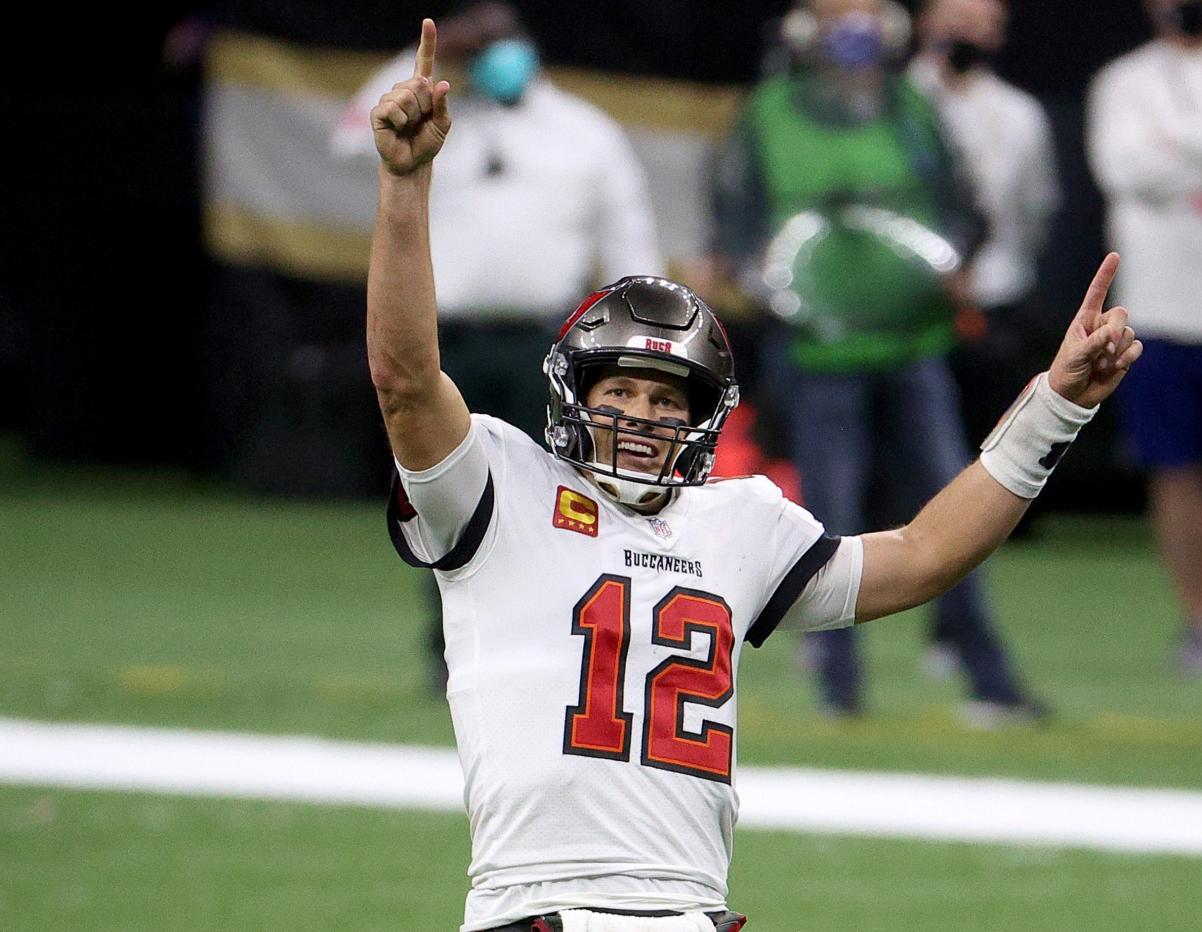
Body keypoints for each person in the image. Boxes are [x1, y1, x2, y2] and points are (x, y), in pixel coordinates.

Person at [368, 19, 1140, 931]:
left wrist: (1057, 405)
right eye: (624, 390)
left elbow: (925, 555)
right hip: (541, 906)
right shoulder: (499, 487)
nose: (645, 419)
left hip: (698, 912)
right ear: (575, 392)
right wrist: (406, 185)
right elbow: (407, 379)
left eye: (670, 402)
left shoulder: (738, 521)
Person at [712, 0, 1043, 723]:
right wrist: (755, 275)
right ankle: (838, 689)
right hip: (817, 350)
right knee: (826, 521)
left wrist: (959, 261)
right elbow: (734, 217)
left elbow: (964, 207)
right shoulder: (767, 112)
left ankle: (987, 676)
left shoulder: (909, 107)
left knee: (959, 509)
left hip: (912, 343)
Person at [337, 1, 663, 689]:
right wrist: (429, 58)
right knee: (444, 502)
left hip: (546, 346)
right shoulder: (436, 117)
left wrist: (634, 347)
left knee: (560, 504)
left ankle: (556, 647)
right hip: (442, 346)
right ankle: (450, 652)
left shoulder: (582, 131)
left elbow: (629, 243)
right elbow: (351, 137)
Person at [1087, 0, 1202, 679]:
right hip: (1161, 308)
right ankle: (1201, 626)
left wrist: (1172, 143)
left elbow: (1153, 161)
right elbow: (1124, 170)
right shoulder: (1124, 81)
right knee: (1177, 471)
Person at [909, 0, 1061, 677]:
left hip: (991, 303)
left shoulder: (1019, 114)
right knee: (901, 469)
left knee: (983, 467)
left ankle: (956, 625)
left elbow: (1034, 208)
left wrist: (985, 277)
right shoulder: (896, 100)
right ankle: (837, 627)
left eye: (983, 22)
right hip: (905, 310)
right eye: (956, 18)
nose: (969, 35)